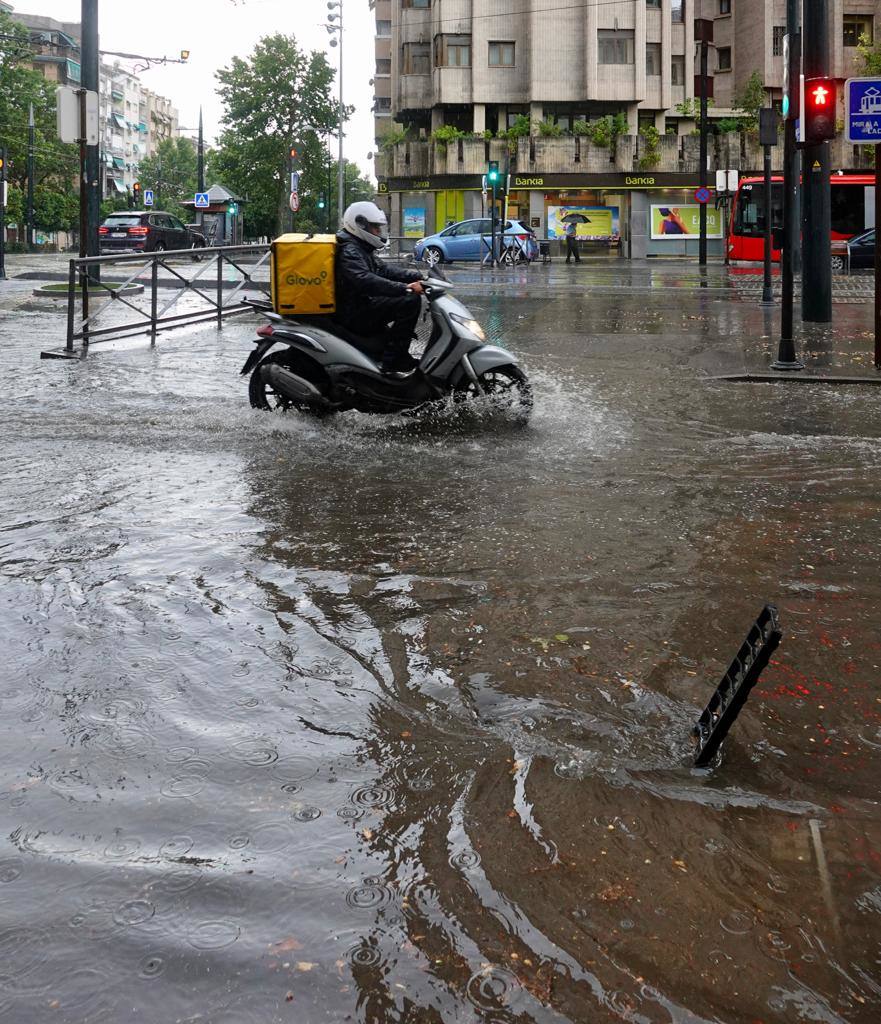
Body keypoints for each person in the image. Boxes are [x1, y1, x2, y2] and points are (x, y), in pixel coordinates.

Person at [334, 201, 425, 372]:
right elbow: (365, 280)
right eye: (375, 227)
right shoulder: (350, 250)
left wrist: (419, 276)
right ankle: (393, 360)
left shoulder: (359, 246)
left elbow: (384, 270)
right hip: (353, 311)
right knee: (409, 301)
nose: (379, 232)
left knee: (407, 298)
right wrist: (405, 288)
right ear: (360, 224)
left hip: (358, 304)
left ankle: (394, 353)